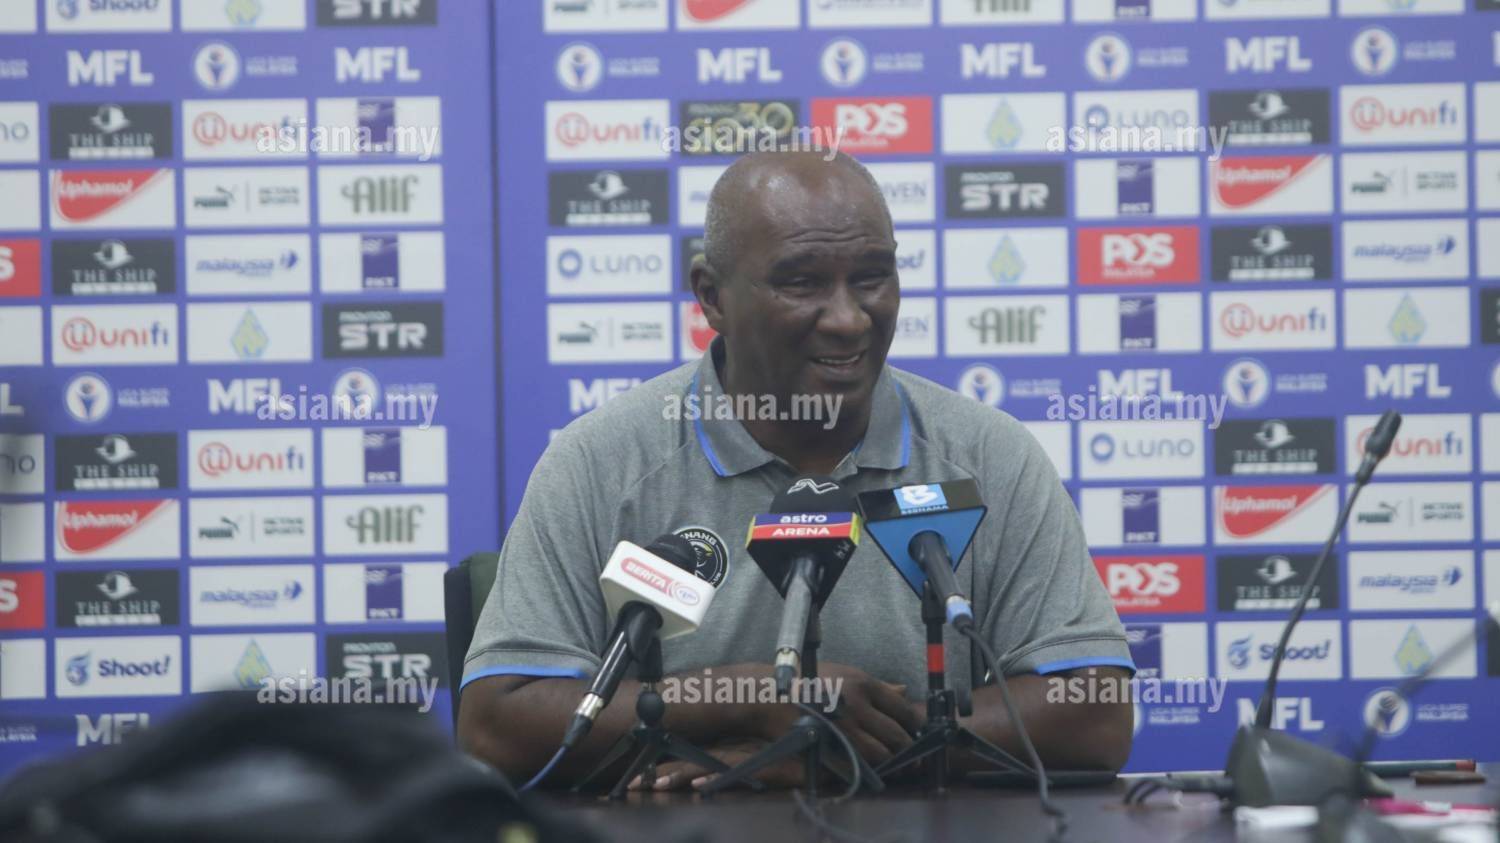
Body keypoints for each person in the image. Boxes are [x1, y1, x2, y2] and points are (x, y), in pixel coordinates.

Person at [458, 151, 1133, 790]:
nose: (847, 318)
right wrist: (742, 699)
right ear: (712, 297)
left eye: (871, 277)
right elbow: (495, 725)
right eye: (802, 282)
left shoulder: (986, 455)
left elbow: (1096, 709)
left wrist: (831, 751)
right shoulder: (601, 462)